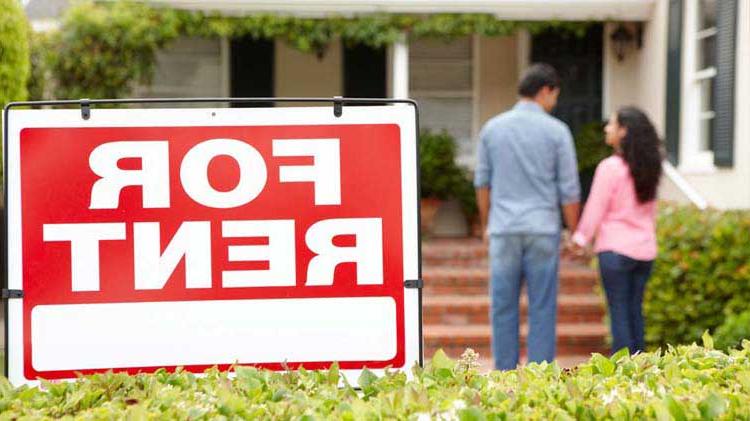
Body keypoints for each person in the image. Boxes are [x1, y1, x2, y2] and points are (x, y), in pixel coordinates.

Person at [474, 63, 581, 370]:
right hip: (542, 228)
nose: (555, 102)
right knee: (542, 306)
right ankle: (539, 377)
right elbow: (569, 189)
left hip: (504, 228)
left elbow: (482, 182)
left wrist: (486, 224)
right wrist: (573, 231)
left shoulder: (492, 128)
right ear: (546, 90)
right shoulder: (557, 131)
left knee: (503, 306)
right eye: (555, 95)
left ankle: (505, 374)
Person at [571, 106, 662, 355]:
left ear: (623, 131)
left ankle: (622, 374)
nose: (606, 129)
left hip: (615, 251)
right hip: (645, 251)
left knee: (619, 313)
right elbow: (650, 212)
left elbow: (595, 208)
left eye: (611, 124)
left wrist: (580, 239)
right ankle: (640, 373)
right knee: (635, 311)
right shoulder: (652, 167)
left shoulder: (610, 167)